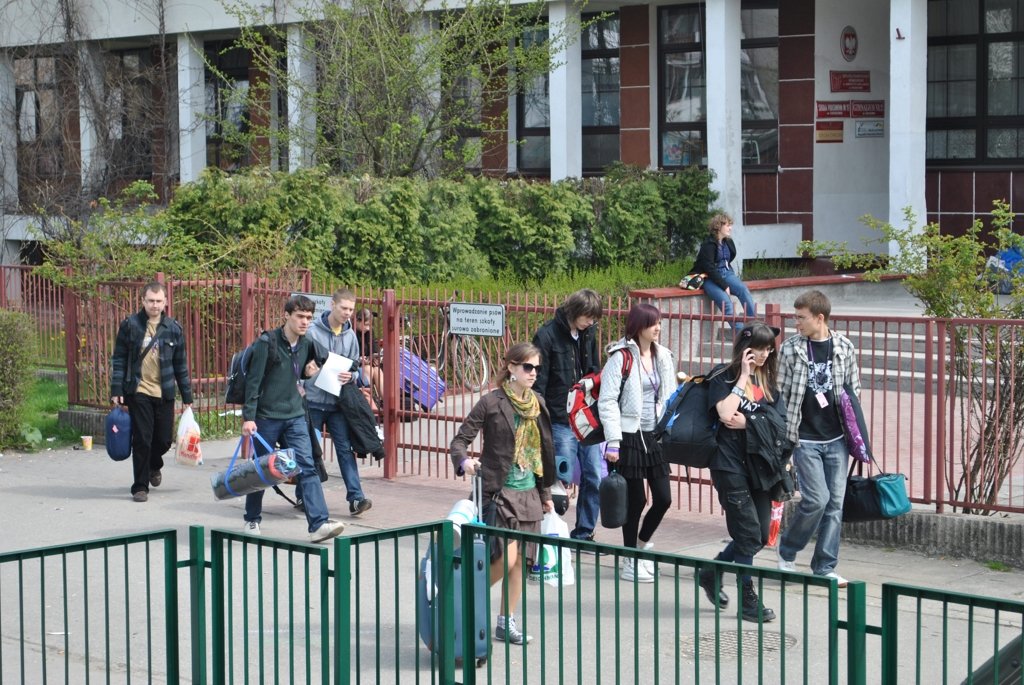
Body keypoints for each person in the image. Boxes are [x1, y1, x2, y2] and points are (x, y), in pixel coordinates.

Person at [450, 342, 556, 646]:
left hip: (530, 495)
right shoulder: (492, 402)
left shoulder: (537, 404)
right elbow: (459, 441)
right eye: (527, 367)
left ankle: (504, 621)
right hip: (499, 493)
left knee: (522, 562)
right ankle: (467, 603)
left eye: (537, 367)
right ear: (511, 367)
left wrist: (545, 492)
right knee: (505, 559)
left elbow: (542, 454)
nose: (533, 373)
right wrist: (465, 461)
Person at [699, 322, 791, 622]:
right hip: (729, 466)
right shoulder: (722, 377)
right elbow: (725, 414)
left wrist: (749, 423)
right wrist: (742, 377)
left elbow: (780, 426)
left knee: (761, 534)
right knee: (748, 532)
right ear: (744, 349)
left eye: (768, 349)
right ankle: (748, 598)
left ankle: (712, 571)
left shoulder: (770, 385)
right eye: (758, 348)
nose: (763, 354)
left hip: (760, 469)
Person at [241, 294, 346, 543]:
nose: (305, 322)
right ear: (286, 316)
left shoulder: (307, 343)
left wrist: (316, 369)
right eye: (300, 316)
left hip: (296, 415)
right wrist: (248, 418)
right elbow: (253, 383)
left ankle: (318, 524)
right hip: (266, 417)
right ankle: (252, 518)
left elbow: (325, 358)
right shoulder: (266, 343)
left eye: (309, 317)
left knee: (307, 466)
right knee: (263, 469)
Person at [776, 290, 861, 587]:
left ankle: (824, 567)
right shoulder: (790, 349)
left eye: (801, 318)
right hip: (804, 439)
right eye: (795, 317)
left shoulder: (844, 347)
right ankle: (788, 549)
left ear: (819, 318)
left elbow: (854, 391)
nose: (796, 323)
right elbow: (780, 394)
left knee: (835, 503)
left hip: (836, 438)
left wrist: (855, 432)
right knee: (817, 500)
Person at [597, 303, 678, 583]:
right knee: (636, 501)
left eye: (659, 323)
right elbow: (606, 401)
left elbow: (671, 396)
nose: (658, 327)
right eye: (653, 323)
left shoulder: (664, 355)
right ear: (639, 325)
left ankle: (641, 547)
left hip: (654, 433)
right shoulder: (620, 357)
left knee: (664, 498)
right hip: (628, 435)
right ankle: (630, 559)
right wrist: (613, 441)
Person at [531, 288, 604, 544]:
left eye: (594, 318)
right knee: (558, 478)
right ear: (575, 311)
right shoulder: (547, 335)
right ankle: (552, 529)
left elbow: (594, 370)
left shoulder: (589, 333)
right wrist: (542, 419)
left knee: (593, 474)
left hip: (586, 418)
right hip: (560, 418)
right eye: (588, 317)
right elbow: (539, 381)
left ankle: (584, 532)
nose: (591, 322)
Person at [110, 281, 193, 503]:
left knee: (164, 440)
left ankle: (154, 464)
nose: (155, 305)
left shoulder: (173, 328)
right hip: (139, 390)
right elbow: (118, 358)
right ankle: (140, 486)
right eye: (150, 301)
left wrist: (187, 397)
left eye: (158, 301)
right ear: (143, 301)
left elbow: (181, 366)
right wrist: (117, 389)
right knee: (142, 439)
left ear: (165, 302)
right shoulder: (130, 325)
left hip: (164, 391)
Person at [305, 289, 373, 516]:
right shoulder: (313, 332)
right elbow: (301, 365)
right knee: (311, 452)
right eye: (344, 308)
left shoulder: (351, 336)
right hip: (313, 401)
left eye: (351, 310)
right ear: (332, 305)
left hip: (337, 404)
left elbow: (355, 368)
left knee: (345, 450)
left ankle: (356, 498)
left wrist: (351, 377)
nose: (347, 313)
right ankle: (304, 495)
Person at [691, 212, 756, 330]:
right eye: (727, 225)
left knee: (743, 290)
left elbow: (729, 258)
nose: (730, 228)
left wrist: (727, 278)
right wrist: (724, 285)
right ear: (718, 226)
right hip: (709, 277)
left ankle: (754, 325)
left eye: (730, 225)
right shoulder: (708, 245)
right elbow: (709, 268)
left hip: (726, 273)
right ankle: (743, 335)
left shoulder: (728, 242)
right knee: (727, 305)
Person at [352, 308, 384, 403]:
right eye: (366, 325)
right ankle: (368, 401)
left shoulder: (369, 332)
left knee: (377, 370)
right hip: (355, 365)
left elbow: (373, 348)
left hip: (367, 363)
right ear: (357, 321)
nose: (368, 328)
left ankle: (385, 402)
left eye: (370, 325)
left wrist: (376, 358)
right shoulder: (350, 332)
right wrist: (359, 359)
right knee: (367, 369)